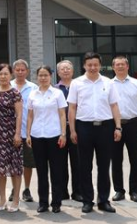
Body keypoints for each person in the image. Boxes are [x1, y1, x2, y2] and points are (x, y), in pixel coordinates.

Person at [67, 52, 122, 214]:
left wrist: (118, 127)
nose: (92, 67)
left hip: (105, 127)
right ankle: (87, 201)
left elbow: (114, 105)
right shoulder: (76, 83)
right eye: (89, 65)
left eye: (95, 65)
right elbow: (72, 107)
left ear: (100, 65)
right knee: (85, 166)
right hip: (84, 127)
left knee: (104, 166)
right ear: (84, 65)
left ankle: (103, 201)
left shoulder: (108, 82)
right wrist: (72, 130)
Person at [26, 66, 67, 213]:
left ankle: (56, 203)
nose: (43, 78)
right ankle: (43, 202)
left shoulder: (57, 93)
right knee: (41, 171)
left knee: (56, 171)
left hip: (54, 135)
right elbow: (30, 116)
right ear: (37, 77)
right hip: (37, 136)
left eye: (46, 75)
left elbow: (62, 114)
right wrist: (28, 134)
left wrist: (63, 134)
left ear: (50, 76)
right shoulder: (33, 94)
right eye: (40, 75)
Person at [111, 56, 137, 203]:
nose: (120, 67)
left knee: (135, 159)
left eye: (123, 64)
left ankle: (134, 191)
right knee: (116, 160)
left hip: (133, 124)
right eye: (117, 64)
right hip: (115, 126)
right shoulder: (108, 84)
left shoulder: (136, 83)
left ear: (127, 66)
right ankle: (119, 191)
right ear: (113, 67)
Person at [0, 63, 23, 213]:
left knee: (15, 168)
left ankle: (16, 199)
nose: (3, 76)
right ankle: (2, 199)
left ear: (11, 75)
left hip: (12, 133)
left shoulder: (15, 93)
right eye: (0, 74)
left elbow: (19, 114)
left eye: (6, 74)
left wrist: (18, 134)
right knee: (0, 168)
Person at [9, 59, 38, 203]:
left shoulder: (33, 88)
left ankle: (26, 189)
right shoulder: (8, 86)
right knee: (13, 162)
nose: (20, 72)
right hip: (10, 131)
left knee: (28, 163)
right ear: (13, 71)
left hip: (28, 131)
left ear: (27, 71)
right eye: (17, 70)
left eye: (23, 70)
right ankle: (15, 189)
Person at [55, 60, 82, 202]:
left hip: (77, 127)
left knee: (77, 161)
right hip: (59, 129)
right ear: (58, 72)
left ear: (73, 71)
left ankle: (77, 192)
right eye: (62, 69)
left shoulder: (80, 87)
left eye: (68, 68)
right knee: (60, 162)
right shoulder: (54, 89)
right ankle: (62, 191)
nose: (65, 71)